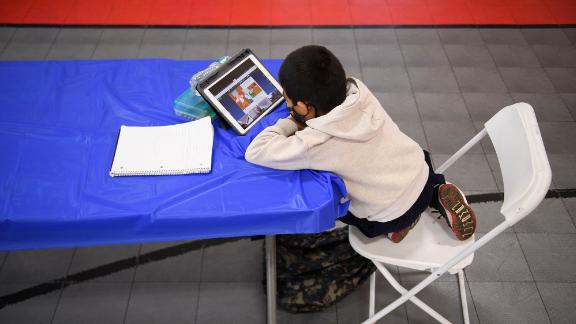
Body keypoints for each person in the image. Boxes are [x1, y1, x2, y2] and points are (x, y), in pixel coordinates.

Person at [245, 45, 477, 312]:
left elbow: (257, 151)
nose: (287, 105)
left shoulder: (315, 141)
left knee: (345, 210)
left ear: (304, 106)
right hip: (420, 171)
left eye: (289, 101)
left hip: (389, 213)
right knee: (405, 164)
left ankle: (397, 226)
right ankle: (438, 192)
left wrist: (291, 123)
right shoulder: (359, 93)